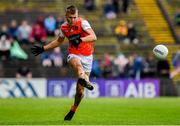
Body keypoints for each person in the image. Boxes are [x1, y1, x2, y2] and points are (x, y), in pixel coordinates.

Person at [31, 5, 97, 120]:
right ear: (66, 16)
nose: (72, 20)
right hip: (74, 54)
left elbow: (93, 37)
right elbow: (58, 41)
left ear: (77, 16)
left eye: (74, 17)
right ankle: (85, 79)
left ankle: (74, 108)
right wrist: (43, 48)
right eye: (70, 18)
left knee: (80, 92)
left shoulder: (83, 23)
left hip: (87, 56)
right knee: (77, 65)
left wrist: (80, 39)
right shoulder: (63, 28)